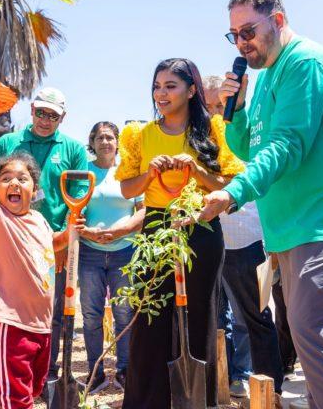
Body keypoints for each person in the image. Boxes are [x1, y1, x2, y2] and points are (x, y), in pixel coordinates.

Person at [201, 0, 323, 409]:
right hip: (290, 231)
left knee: (321, 342)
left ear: (277, 20)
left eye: (248, 31)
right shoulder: (263, 79)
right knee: (315, 351)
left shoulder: (305, 63)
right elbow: (248, 148)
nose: (241, 44)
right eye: (234, 36)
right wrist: (237, 107)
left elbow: (288, 145)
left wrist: (233, 192)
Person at [117, 58, 244, 408]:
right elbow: (129, 190)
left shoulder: (214, 131)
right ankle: (146, 402)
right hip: (155, 229)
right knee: (149, 319)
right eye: (157, 86)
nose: (161, 93)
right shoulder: (138, 134)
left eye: (170, 86)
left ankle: (196, 400)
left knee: (200, 317)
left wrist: (197, 169)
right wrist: (148, 176)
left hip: (200, 228)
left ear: (191, 90)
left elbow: (228, 185)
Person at [0, 114, 80, 409]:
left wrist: (70, 232)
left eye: (23, 179)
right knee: (15, 400)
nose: (14, 183)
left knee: (31, 393)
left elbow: (52, 244)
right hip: (11, 324)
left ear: (34, 190)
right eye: (5, 179)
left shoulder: (39, 221)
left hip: (42, 326)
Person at [0, 87, 88, 381]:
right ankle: (12, 368)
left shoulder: (73, 149)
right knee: (9, 306)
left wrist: (64, 240)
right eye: (41, 112)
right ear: (32, 109)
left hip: (55, 242)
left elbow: (80, 192)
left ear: (62, 118)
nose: (45, 120)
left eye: (53, 115)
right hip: (12, 239)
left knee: (53, 307)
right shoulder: (9, 142)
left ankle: (47, 368)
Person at [204, 74, 283, 396]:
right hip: (209, 240)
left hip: (246, 239)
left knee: (254, 317)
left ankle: (270, 389)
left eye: (218, 104)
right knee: (215, 319)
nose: (212, 112)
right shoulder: (197, 136)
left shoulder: (246, 136)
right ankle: (230, 378)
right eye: (206, 105)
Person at [76, 121, 145, 393]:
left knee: (124, 313)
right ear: (92, 143)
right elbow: (76, 211)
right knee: (91, 316)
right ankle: (96, 373)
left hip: (125, 254)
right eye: (99, 137)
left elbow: (143, 210)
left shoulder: (128, 172)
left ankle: (126, 371)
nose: (105, 142)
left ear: (118, 142)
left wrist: (122, 229)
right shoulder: (83, 173)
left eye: (110, 137)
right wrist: (88, 231)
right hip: (90, 254)